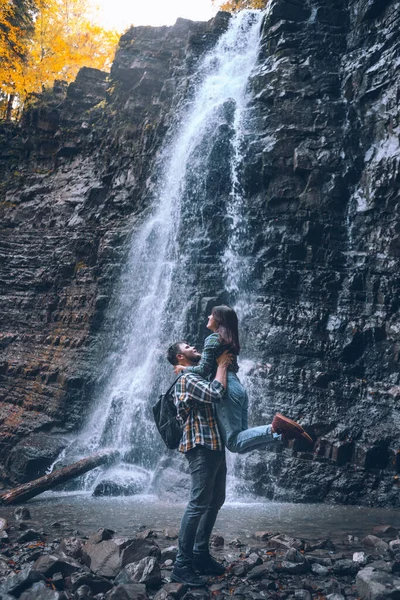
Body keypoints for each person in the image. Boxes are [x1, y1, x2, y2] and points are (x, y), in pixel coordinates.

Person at [166, 341, 312, 587]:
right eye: (189, 346)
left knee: (215, 501)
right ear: (180, 357)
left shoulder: (195, 373)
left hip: (214, 445)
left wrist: (223, 364)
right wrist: (221, 365)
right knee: (198, 504)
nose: (194, 346)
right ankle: (181, 565)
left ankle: (200, 555)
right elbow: (215, 392)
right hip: (200, 446)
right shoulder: (186, 380)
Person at [173, 305, 313, 452]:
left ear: (219, 320)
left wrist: (184, 368)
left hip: (227, 390)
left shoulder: (212, 339)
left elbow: (202, 369)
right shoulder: (228, 340)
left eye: (211, 315)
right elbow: (217, 362)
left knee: (233, 443)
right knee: (243, 443)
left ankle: (274, 428)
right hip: (239, 388)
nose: (208, 317)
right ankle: (281, 434)